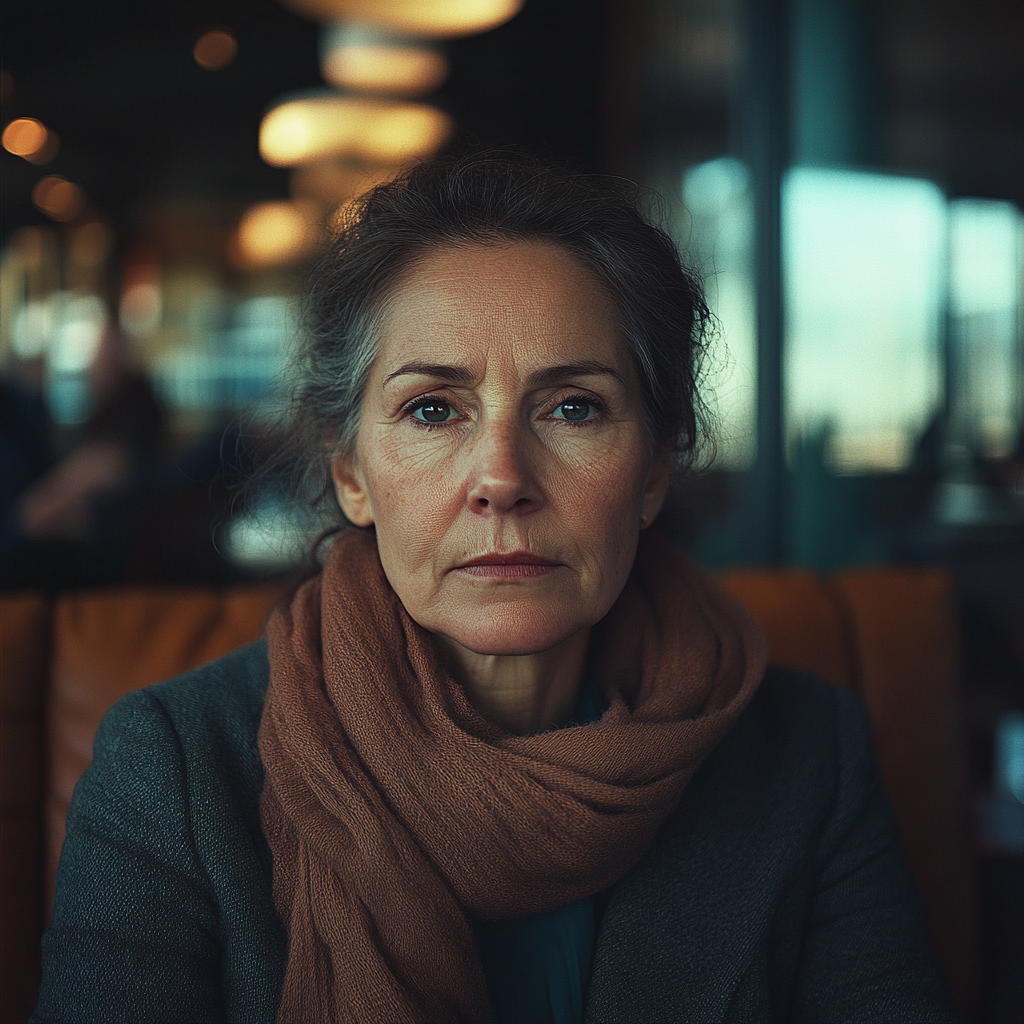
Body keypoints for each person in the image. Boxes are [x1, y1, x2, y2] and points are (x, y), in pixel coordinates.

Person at [33, 151, 962, 1024]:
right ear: (351, 472)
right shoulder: (173, 766)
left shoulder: (806, 755)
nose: (501, 475)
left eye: (573, 407)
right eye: (433, 409)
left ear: (652, 469)